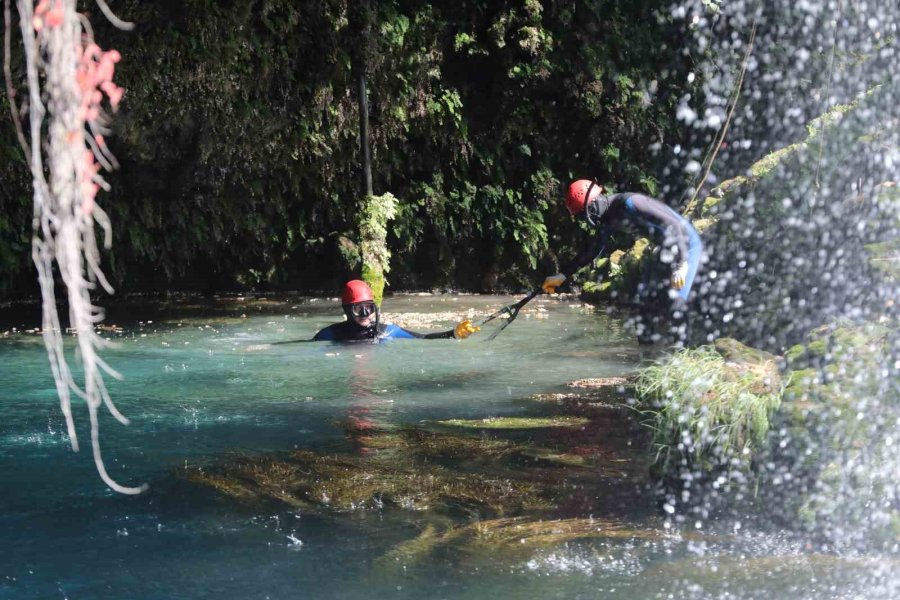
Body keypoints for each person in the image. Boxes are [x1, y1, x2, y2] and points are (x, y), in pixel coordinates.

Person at [542, 179, 703, 344]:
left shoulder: (631, 203)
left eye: (582, 215)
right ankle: (646, 358)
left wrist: (682, 264)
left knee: (676, 302)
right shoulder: (608, 218)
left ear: (591, 206)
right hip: (666, 250)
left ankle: (684, 354)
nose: (584, 221)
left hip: (687, 244)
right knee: (642, 306)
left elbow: (675, 225)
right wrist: (562, 275)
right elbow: (592, 251)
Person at [313, 280, 480, 342]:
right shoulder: (330, 335)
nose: (365, 314)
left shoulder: (387, 332)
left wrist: (453, 333)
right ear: (348, 311)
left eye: (369, 308)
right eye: (358, 309)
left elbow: (423, 337)